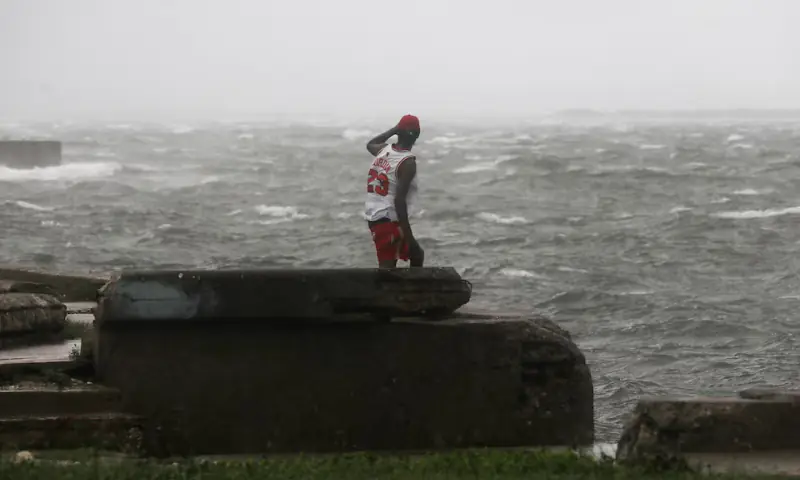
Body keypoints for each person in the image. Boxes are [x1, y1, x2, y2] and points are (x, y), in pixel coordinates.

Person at [363, 115, 424, 268]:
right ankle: (403, 291)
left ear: (399, 132)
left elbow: (371, 144)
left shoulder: (383, 150)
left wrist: (395, 129)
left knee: (417, 255)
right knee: (388, 270)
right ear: (417, 135)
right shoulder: (407, 162)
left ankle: (410, 291)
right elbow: (399, 201)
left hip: (376, 217)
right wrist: (409, 238)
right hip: (388, 222)